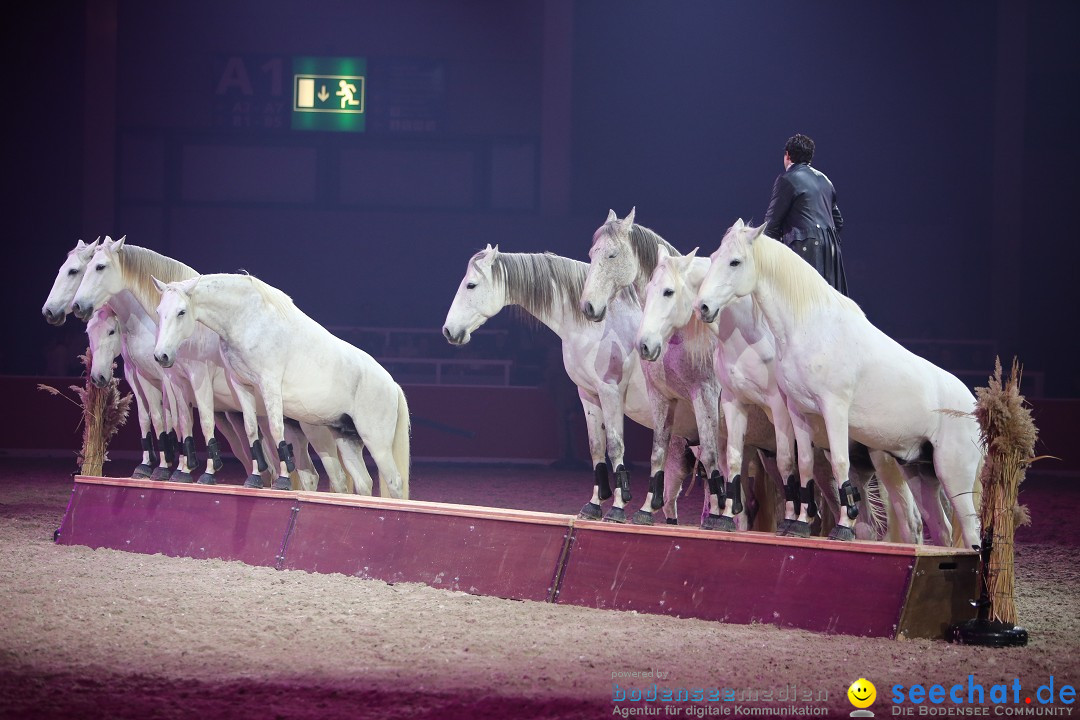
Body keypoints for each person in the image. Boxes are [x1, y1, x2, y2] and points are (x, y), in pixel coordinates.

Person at [762, 133, 848, 295]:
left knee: (798, 304)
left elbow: (771, 224)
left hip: (804, 246)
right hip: (831, 249)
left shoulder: (787, 179)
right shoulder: (825, 180)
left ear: (787, 155)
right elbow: (839, 222)